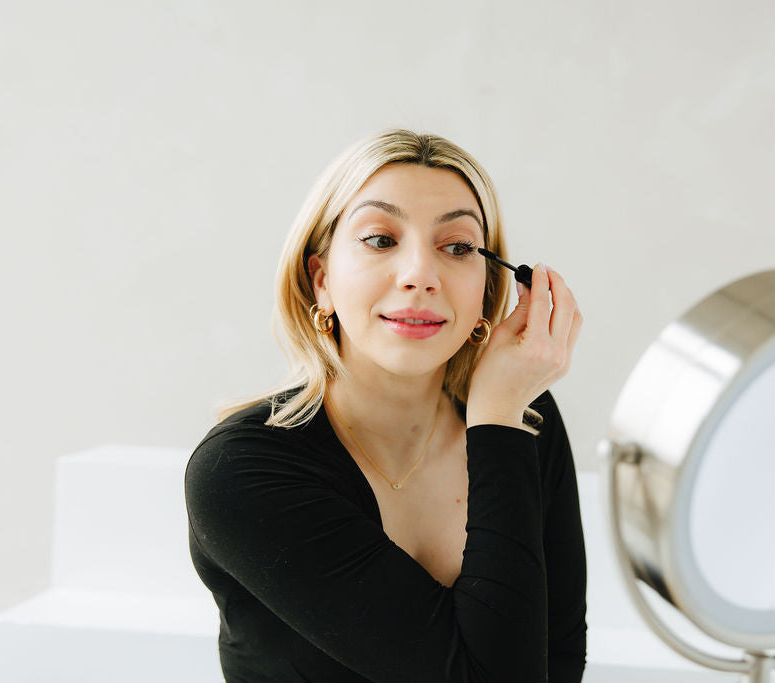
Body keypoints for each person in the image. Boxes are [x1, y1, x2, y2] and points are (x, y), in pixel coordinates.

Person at [185, 128, 586, 682]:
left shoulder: (522, 418)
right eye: (380, 239)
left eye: (458, 247)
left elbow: (558, 662)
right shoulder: (240, 473)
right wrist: (496, 420)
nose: (420, 275)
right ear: (320, 280)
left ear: (489, 286)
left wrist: (499, 418)